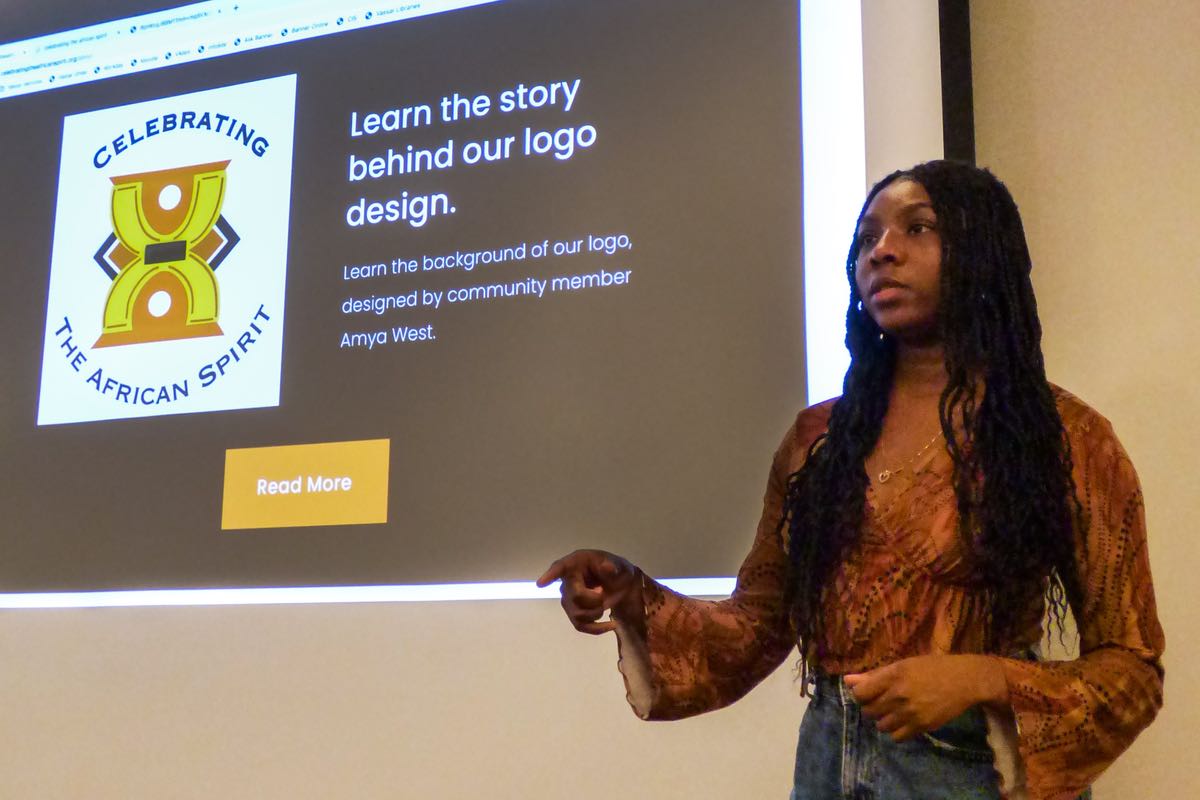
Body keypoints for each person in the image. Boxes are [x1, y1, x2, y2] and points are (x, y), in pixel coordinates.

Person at [537, 161, 1164, 800]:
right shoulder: (819, 439)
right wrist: (634, 594)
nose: (883, 252)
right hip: (828, 759)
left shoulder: (1065, 436)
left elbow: (1133, 670)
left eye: (918, 228)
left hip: (972, 765)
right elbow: (756, 627)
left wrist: (982, 678)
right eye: (867, 239)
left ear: (983, 253)